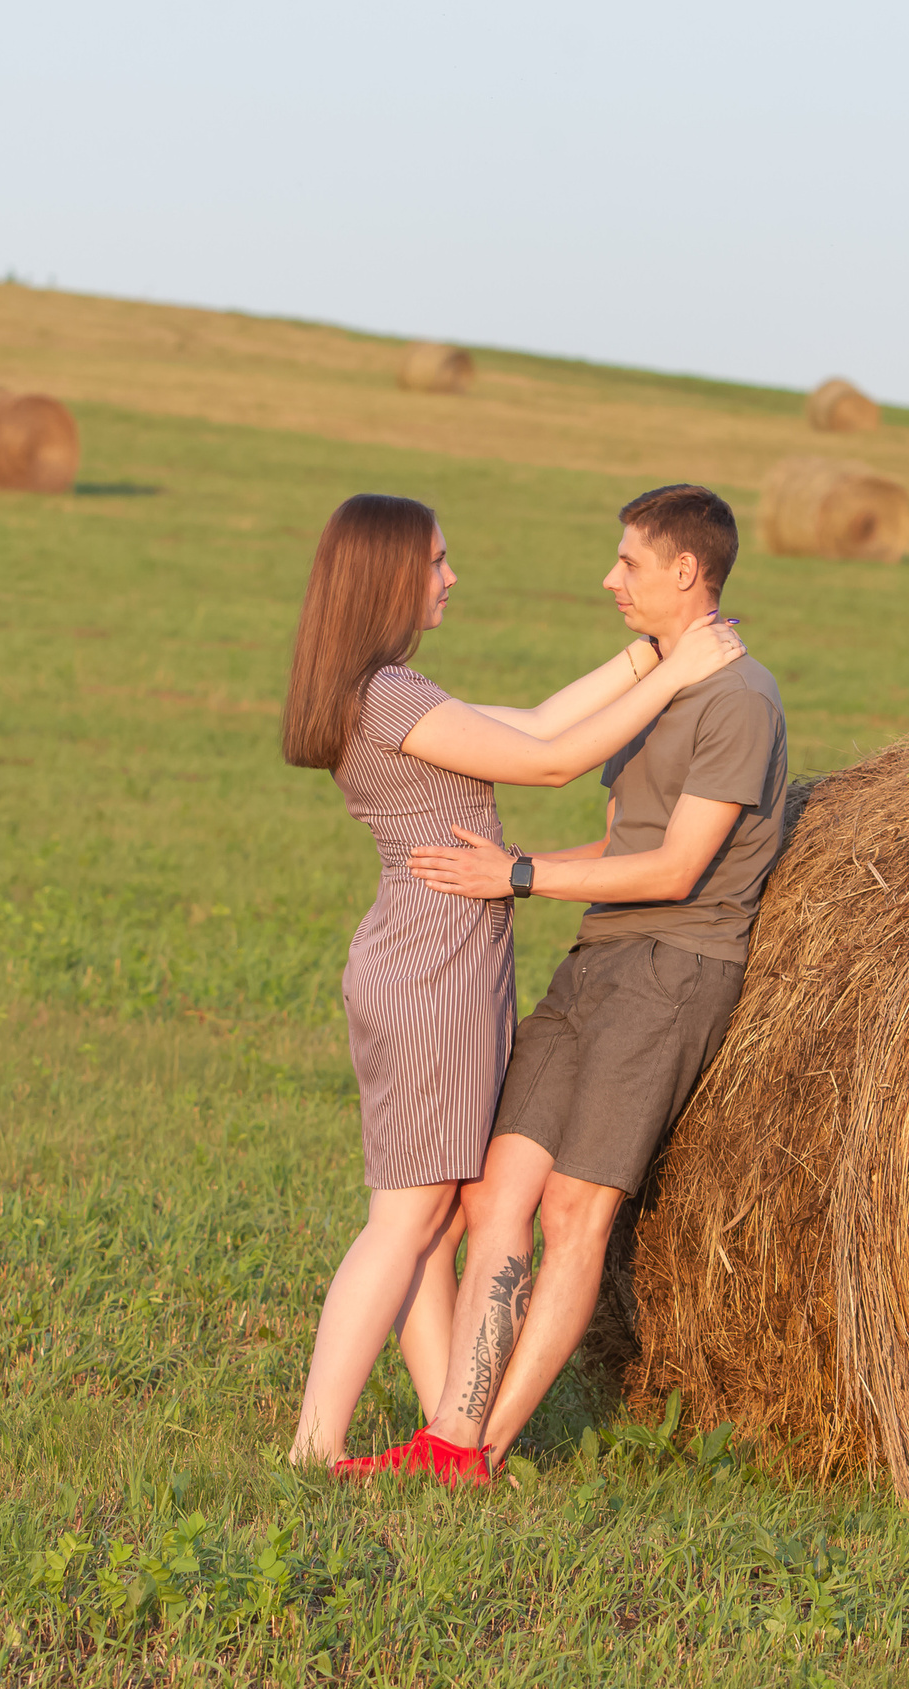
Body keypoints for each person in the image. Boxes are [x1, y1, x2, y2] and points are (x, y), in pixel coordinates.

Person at [281, 492, 748, 1471]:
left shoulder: (384, 692)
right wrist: (678, 675)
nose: (450, 577)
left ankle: (450, 1435)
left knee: (438, 1213)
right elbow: (550, 761)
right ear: (389, 576)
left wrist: (651, 658)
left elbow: (537, 719)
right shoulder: (392, 695)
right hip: (430, 970)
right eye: (438, 561)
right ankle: (314, 1447)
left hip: (444, 961)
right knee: (406, 1219)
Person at [399, 483, 788, 1478]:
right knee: (496, 1199)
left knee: (577, 1211)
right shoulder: (658, 690)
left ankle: (478, 1449)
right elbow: (620, 839)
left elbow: (675, 870)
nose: (609, 578)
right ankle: (448, 1435)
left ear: (684, 572)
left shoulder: (742, 701)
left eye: (627, 562)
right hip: (597, 959)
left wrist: (519, 875)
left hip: (672, 971)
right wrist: (509, 873)